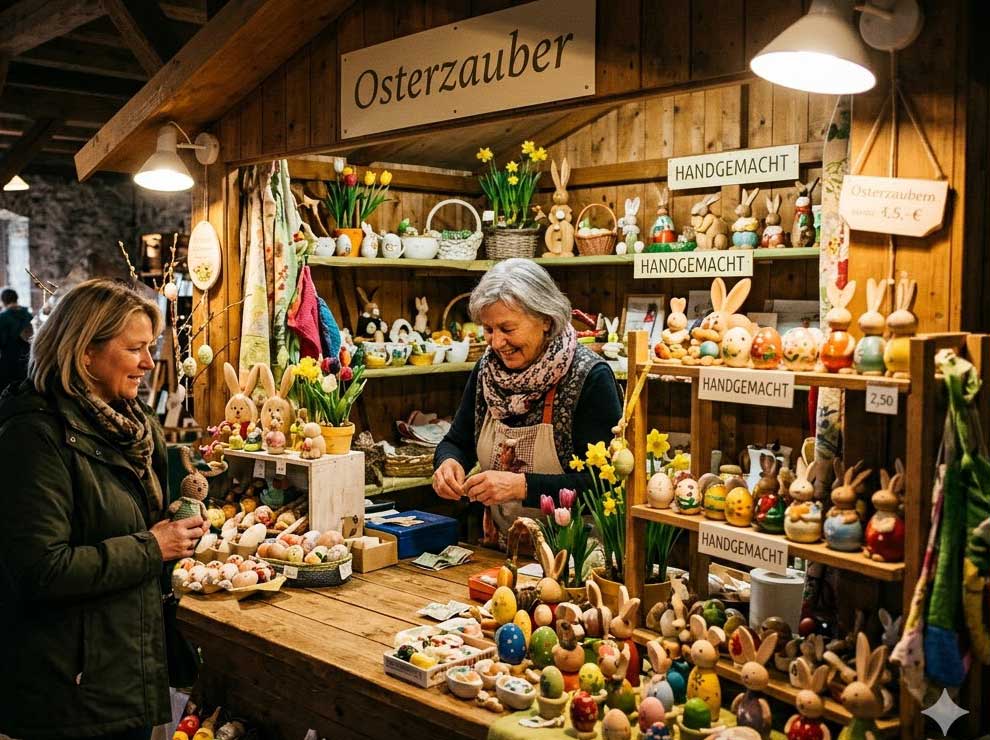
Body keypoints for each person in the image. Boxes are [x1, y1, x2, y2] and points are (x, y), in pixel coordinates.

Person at [0, 279, 208, 740]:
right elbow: (39, 569)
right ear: (85, 353)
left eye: (150, 348)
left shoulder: (135, 427)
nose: (150, 363)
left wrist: (180, 519)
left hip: (123, 664)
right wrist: (153, 546)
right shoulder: (34, 437)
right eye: (136, 349)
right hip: (70, 690)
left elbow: (131, 522)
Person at [433, 259, 623, 544]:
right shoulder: (487, 370)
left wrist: (523, 486)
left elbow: (604, 484)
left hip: (577, 558)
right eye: (488, 329)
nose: (496, 343)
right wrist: (448, 463)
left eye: (507, 329)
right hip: (507, 549)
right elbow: (458, 442)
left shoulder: (589, 378)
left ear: (545, 320)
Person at [0, 286, 33, 389]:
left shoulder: (3, 317)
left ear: (3, 301)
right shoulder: (28, 315)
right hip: (26, 360)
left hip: (7, 361)